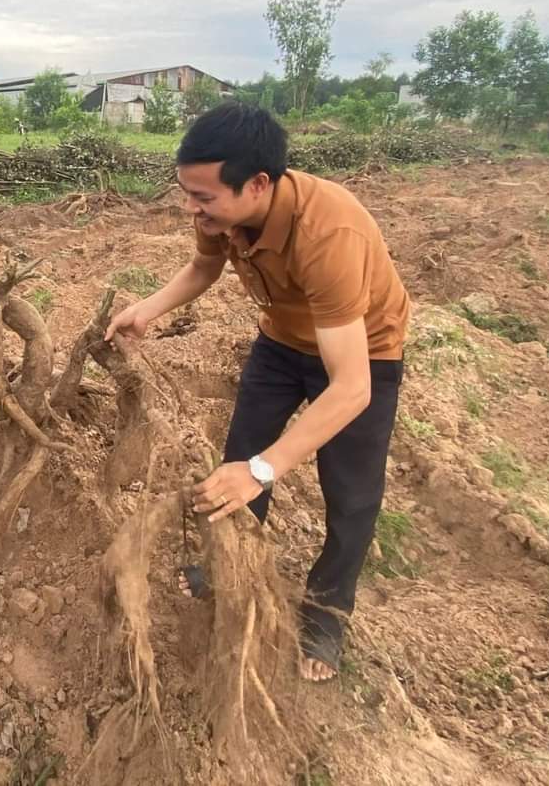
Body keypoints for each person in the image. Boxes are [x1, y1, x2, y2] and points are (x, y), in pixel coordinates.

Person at [105, 102, 409, 682]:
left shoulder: (329, 233)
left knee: (349, 493)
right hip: (279, 341)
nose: (190, 208)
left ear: (259, 184)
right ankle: (229, 569)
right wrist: (146, 310)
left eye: (203, 198)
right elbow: (203, 268)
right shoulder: (218, 211)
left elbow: (350, 390)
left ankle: (326, 612)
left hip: (361, 352)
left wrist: (265, 470)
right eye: (186, 193)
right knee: (239, 456)